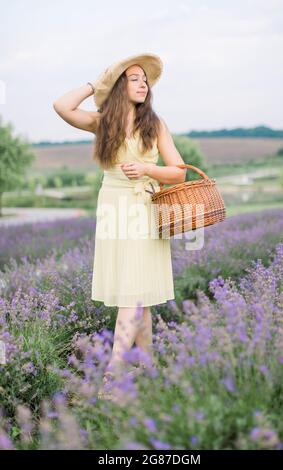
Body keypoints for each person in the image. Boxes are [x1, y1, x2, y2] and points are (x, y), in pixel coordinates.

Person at [53, 53, 186, 397]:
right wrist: (94, 85)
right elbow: (61, 105)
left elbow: (178, 171)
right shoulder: (102, 122)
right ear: (118, 87)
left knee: (133, 292)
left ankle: (112, 377)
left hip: (144, 208)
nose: (143, 84)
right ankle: (150, 369)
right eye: (135, 78)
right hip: (112, 209)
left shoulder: (154, 124)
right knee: (137, 292)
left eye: (146, 80)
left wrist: (147, 170)